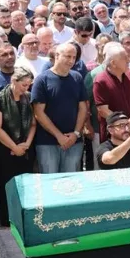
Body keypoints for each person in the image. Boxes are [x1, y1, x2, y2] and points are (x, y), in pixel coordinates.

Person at [0, 67, 35, 227]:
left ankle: (24, 218)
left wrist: (26, 144)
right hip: (4, 149)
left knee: (24, 185)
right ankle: (7, 219)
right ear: (14, 81)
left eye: (29, 85)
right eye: (23, 85)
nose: (26, 88)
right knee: (6, 185)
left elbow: (33, 124)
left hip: (25, 148)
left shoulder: (28, 97)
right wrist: (14, 147)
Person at [31, 43, 89, 173]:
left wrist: (76, 134)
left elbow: (83, 108)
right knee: (50, 180)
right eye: (68, 56)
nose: (71, 61)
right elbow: (39, 113)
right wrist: (59, 136)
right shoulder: (42, 80)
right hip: (47, 142)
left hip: (74, 141)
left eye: (74, 57)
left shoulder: (77, 77)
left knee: (71, 181)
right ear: (57, 56)